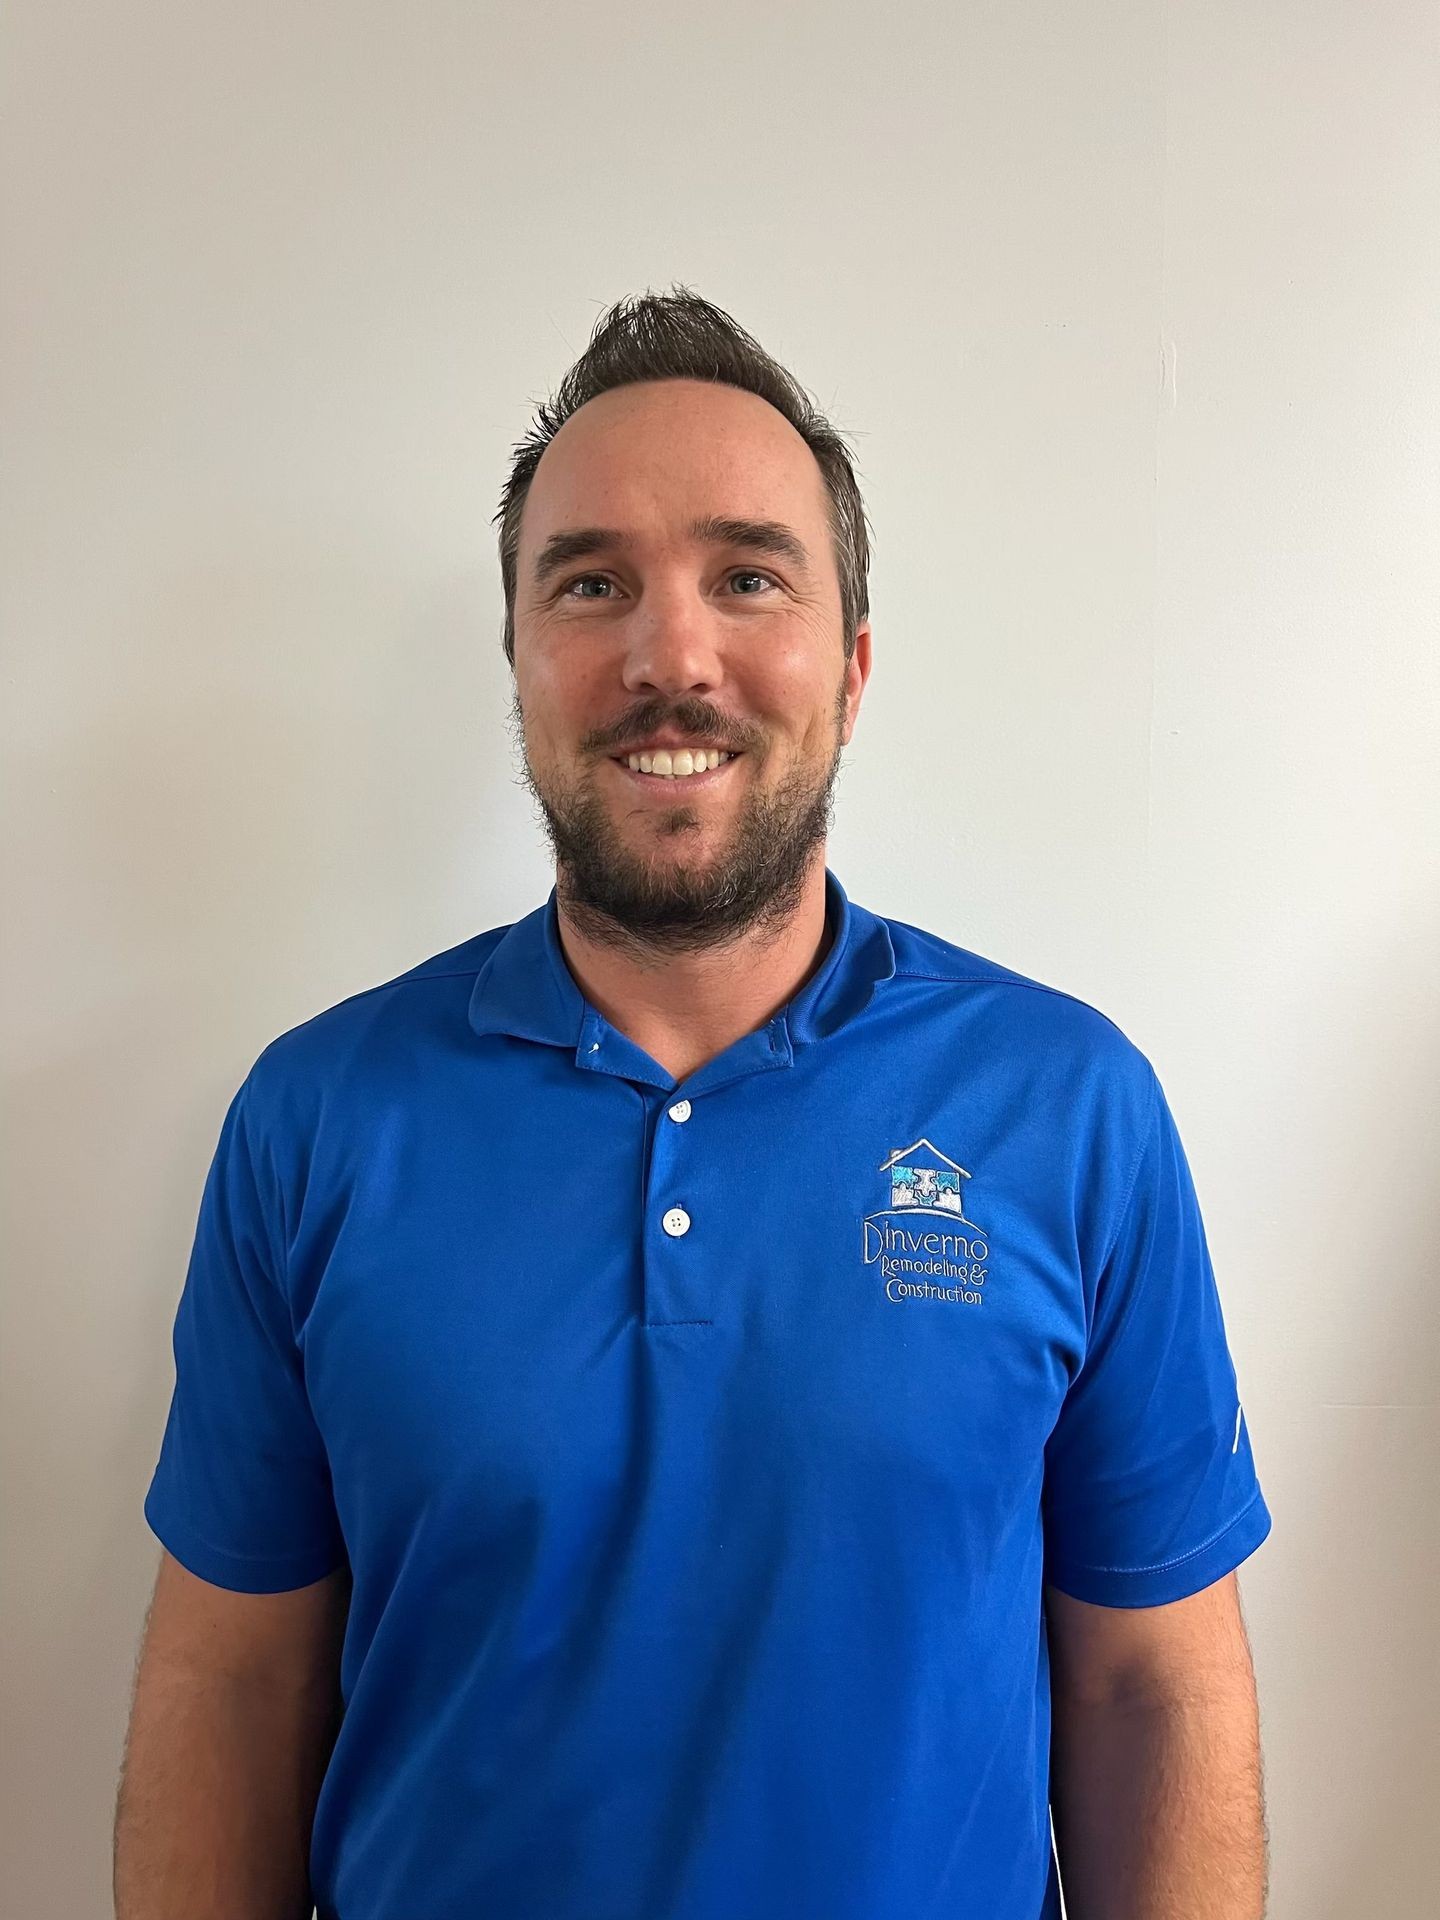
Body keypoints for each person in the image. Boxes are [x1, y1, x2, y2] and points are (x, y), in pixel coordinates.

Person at [116, 287, 1273, 1920]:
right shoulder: (316, 1122)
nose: (673, 655)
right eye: (592, 584)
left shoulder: (1069, 1111)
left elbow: (1155, 1688)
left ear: (852, 666)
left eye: (748, 576)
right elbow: (230, 1687)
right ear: (519, 658)